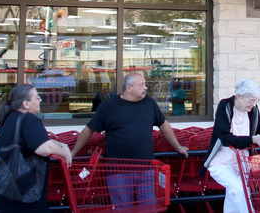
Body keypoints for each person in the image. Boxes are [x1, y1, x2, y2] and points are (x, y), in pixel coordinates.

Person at [70, 72, 188, 205]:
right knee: (124, 208)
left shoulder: (150, 103)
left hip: (146, 169)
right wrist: (74, 152)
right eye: (141, 85)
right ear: (129, 87)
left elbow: (164, 126)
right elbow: (89, 129)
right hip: (118, 171)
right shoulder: (108, 106)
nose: (145, 88)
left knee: (148, 207)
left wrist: (178, 147)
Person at [0, 84, 72, 213]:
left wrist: (62, 145)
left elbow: (39, 141)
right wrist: (66, 153)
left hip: (4, 188)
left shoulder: (11, 117)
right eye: (37, 97)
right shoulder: (29, 120)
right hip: (22, 190)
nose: (40, 100)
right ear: (25, 104)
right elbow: (45, 148)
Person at [200, 80, 260, 213]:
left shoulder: (254, 110)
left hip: (243, 163)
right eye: (251, 100)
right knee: (239, 190)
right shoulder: (225, 105)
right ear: (239, 96)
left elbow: (259, 131)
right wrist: (252, 139)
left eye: (256, 100)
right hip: (221, 162)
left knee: (235, 194)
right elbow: (224, 137)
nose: (253, 104)